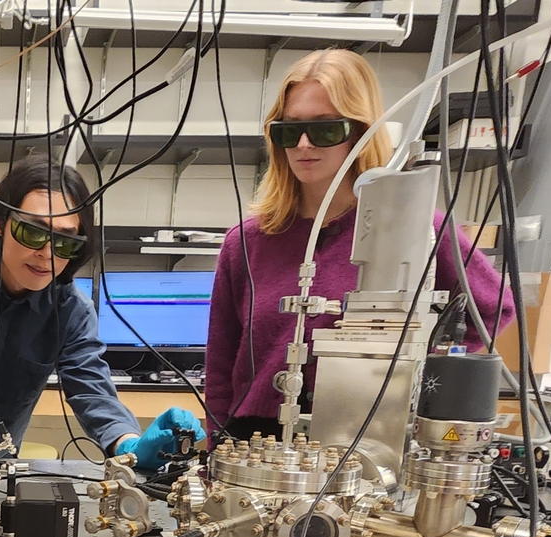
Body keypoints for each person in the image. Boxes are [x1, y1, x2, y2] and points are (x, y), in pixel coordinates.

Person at [205, 49, 514, 440]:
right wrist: (213, 445)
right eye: (288, 130)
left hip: (362, 438)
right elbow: (219, 364)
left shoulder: (415, 229)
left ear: (363, 130)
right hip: (254, 441)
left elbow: (492, 308)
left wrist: (420, 380)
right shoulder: (247, 242)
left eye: (324, 129)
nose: (303, 144)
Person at [0, 155, 204, 474]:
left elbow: (91, 388)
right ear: (0, 224)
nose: (46, 254)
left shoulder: (71, 309)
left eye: (64, 242)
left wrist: (129, 444)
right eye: (33, 232)